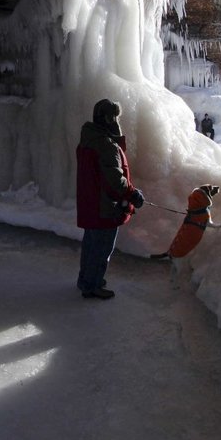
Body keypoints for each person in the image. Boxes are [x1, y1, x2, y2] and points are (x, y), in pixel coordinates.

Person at [75, 98, 144, 300]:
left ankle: (85, 279)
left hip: (91, 203)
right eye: (114, 117)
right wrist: (133, 194)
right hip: (105, 207)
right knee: (102, 248)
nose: (116, 121)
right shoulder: (106, 145)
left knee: (90, 245)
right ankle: (92, 285)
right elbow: (114, 178)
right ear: (107, 119)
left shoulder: (88, 139)